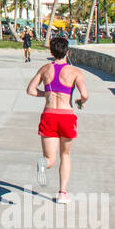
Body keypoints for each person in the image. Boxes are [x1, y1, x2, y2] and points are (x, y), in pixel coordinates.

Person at [26, 36, 89, 205]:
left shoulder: (45, 69)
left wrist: (44, 95)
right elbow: (84, 94)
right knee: (65, 155)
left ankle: (44, 163)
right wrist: (80, 102)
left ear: (51, 52)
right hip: (66, 116)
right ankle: (62, 193)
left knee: (50, 158)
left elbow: (30, 90)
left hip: (49, 115)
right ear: (67, 52)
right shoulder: (75, 72)